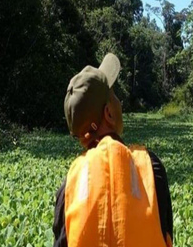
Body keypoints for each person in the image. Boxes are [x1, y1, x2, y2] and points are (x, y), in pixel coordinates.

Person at [53, 53, 173, 247]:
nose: (120, 102)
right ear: (108, 113)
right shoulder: (152, 168)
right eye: (114, 94)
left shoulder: (68, 188)